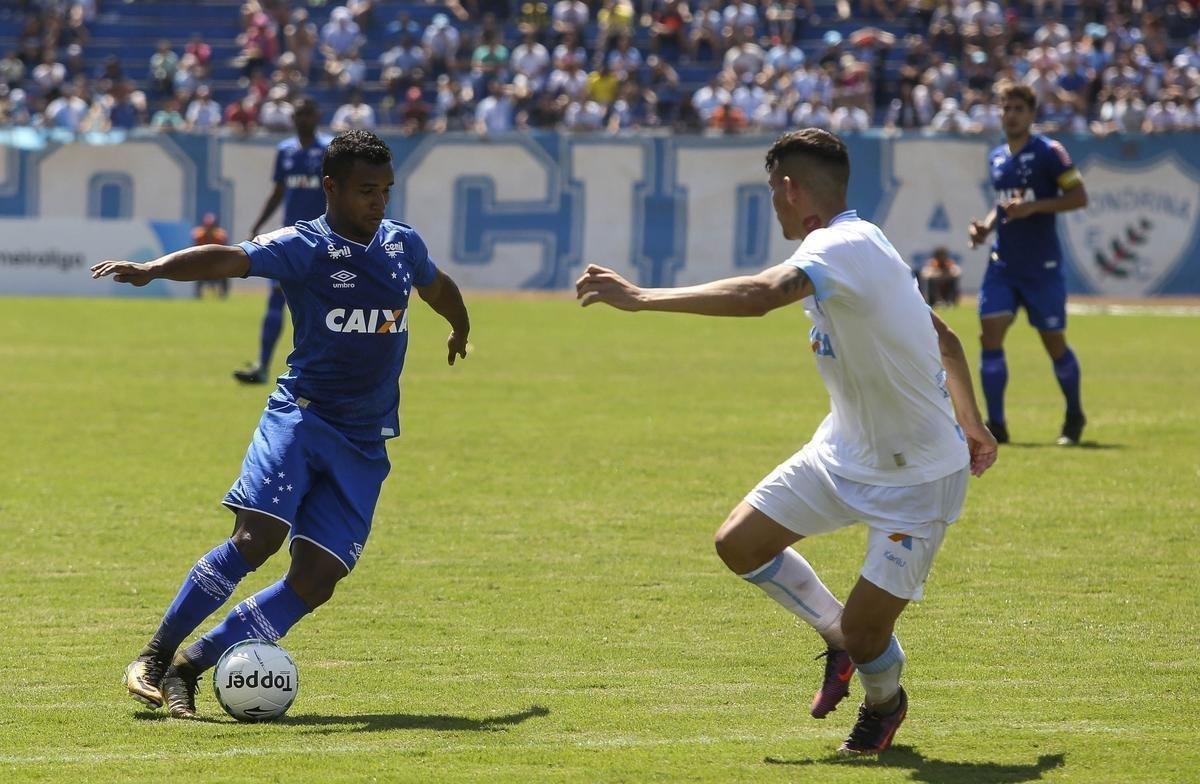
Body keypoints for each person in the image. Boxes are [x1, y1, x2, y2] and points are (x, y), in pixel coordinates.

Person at [576, 128, 997, 755]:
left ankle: (885, 703)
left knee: (868, 633)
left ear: (790, 188)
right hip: (842, 454)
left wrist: (641, 297)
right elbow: (946, 340)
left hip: (915, 480)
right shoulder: (866, 244)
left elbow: (760, 296)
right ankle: (836, 639)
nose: (773, 203)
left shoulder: (839, 246)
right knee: (739, 544)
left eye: (773, 191)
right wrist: (975, 421)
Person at [95, 130, 471, 719]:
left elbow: (438, 287)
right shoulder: (306, 246)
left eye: (386, 190)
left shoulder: (402, 244)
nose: (379, 202)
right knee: (258, 537)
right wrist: (155, 269)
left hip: (364, 440)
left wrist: (460, 325)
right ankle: (153, 654)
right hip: (302, 417)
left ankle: (190, 666)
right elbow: (231, 257)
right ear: (331, 189)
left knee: (318, 578)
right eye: (366, 191)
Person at [967, 83, 1089, 446]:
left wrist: (1033, 207)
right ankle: (997, 424)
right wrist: (985, 228)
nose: (1011, 115)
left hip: (1041, 266)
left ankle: (1073, 415)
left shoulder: (1051, 152)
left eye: (1018, 108)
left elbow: (1079, 196)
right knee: (989, 335)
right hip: (1003, 263)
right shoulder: (997, 157)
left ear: (1032, 114)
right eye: (1005, 108)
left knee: (1053, 343)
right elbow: (1003, 205)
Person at [235, 97, 329, 385]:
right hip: (290, 239)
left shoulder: (328, 151)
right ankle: (263, 366)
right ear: (292, 118)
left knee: (323, 307)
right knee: (276, 300)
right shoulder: (285, 150)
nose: (303, 119)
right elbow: (278, 192)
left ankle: (324, 371)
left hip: (322, 239)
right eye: (298, 114)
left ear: (317, 116)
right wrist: (258, 225)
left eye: (307, 113)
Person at [192, 213, 229, 298]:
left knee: (226, 272)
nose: (209, 229)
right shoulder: (198, 235)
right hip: (202, 262)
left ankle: (223, 294)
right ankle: (197, 293)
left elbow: (224, 252)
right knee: (196, 271)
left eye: (211, 226)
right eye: (207, 226)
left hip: (216, 262)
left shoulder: (220, 236)